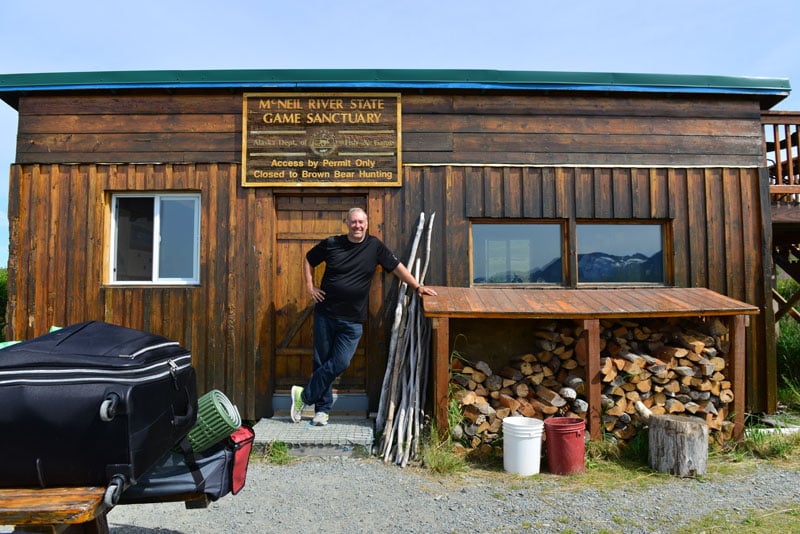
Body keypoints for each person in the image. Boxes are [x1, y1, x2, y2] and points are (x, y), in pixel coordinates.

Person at [291, 207, 437, 426]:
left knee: (340, 362)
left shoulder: (374, 246)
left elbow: (397, 267)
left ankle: (302, 397)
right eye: (353, 222)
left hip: (352, 320)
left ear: (366, 224)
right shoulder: (332, 243)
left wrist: (417, 286)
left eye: (361, 222)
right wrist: (310, 287)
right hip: (326, 314)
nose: (357, 225)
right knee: (321, 362)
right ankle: (322, 411)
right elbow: (309, 259)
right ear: (347, 223)